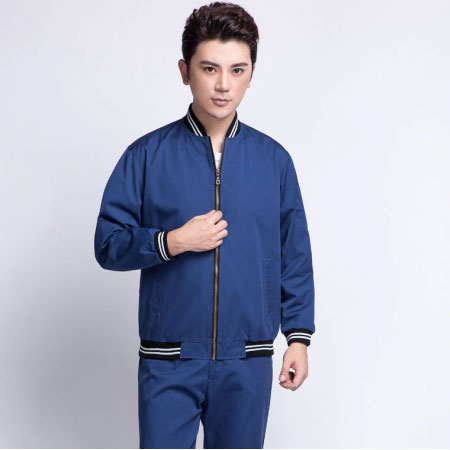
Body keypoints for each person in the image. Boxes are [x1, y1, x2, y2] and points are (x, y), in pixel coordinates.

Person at [94, 2, 316, 448]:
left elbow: (294, 255)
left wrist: (298, 338)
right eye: (209, 68)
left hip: (246, 360)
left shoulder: (273, 162)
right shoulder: (146, 156)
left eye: (237, 70)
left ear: (251, 74)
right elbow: (108, 243)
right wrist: (171, 241)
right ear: (185, 71)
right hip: (168, 360)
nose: (223, 85)